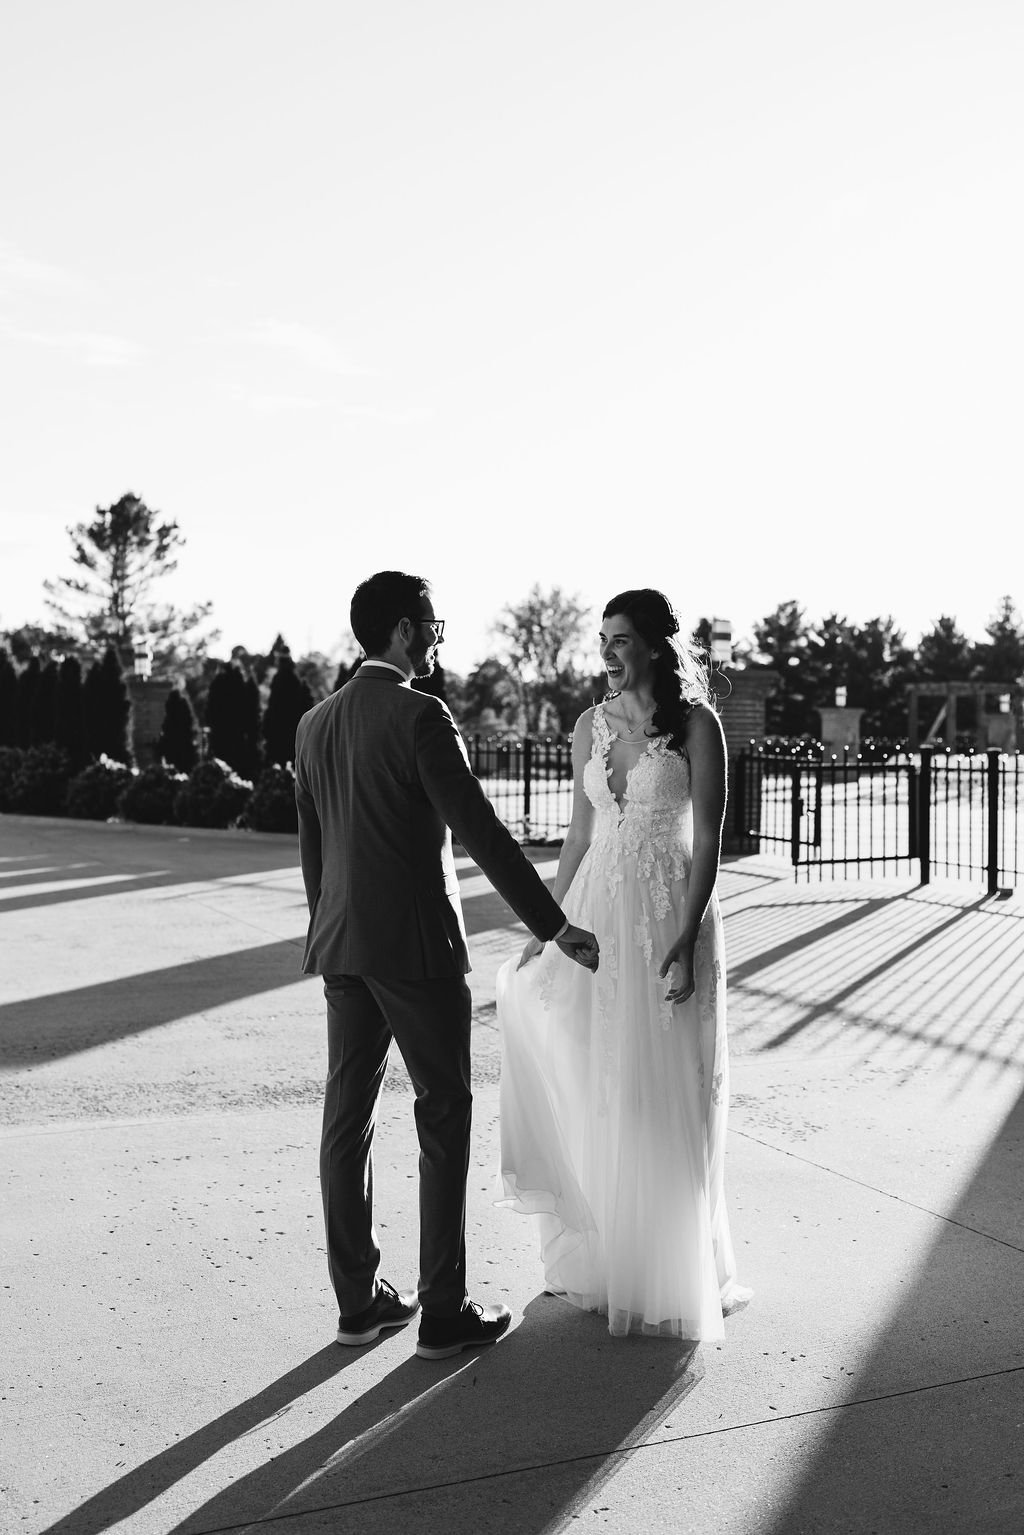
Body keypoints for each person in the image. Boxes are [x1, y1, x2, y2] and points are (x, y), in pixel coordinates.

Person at [294, 570, 599, 1361]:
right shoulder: (420, 714)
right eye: (431, 622)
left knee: (345, 1119)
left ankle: (358, 1303)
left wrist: (329, 927)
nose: (436, 636)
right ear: (401, 629)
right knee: (443, 1113)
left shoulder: (314, 723)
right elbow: (480, 830)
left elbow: (314, 853)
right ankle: (442, 1308)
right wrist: (554, 922)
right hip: (417, 950)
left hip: (342, 946)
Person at [496, 587, 751, 1339]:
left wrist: (688, 929)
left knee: (668, 1086)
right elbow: (578, 836)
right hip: (597, 914)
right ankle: (609, 1259)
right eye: (601, 639)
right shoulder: (587, 725)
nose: (605, 652)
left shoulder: (698, 726)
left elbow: (707, 842)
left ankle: (673, 1267)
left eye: (618, 639)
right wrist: (548, 924)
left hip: (671, 910)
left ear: (653, 645)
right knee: (600, 1077)